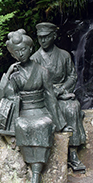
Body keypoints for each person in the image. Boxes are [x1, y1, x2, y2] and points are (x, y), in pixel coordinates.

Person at [0, 29, 64, 183]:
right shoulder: (16, 73)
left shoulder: (42, 71)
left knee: (43, 124)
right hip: (24, 110)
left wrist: (59, 121)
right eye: (16, 52)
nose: (21, 54)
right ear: (12, 54)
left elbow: (50, 97)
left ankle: (36, 174)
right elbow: (3, 98)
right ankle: (33, 169)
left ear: (30, 48)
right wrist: (8, 75)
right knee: (23, 125)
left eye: (23, 50)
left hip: (40, 109)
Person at [31, 22, 87, 172]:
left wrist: (62, 89)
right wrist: (49, 91)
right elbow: (33, 82)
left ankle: (73, 153)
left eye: (46, 37)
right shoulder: (35, 58)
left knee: (72, 107)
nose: (42, 41)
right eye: (40, 38)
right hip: (45, 97)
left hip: (62, 94)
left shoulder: (64, 55)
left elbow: (72, 76)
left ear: (53, 36)